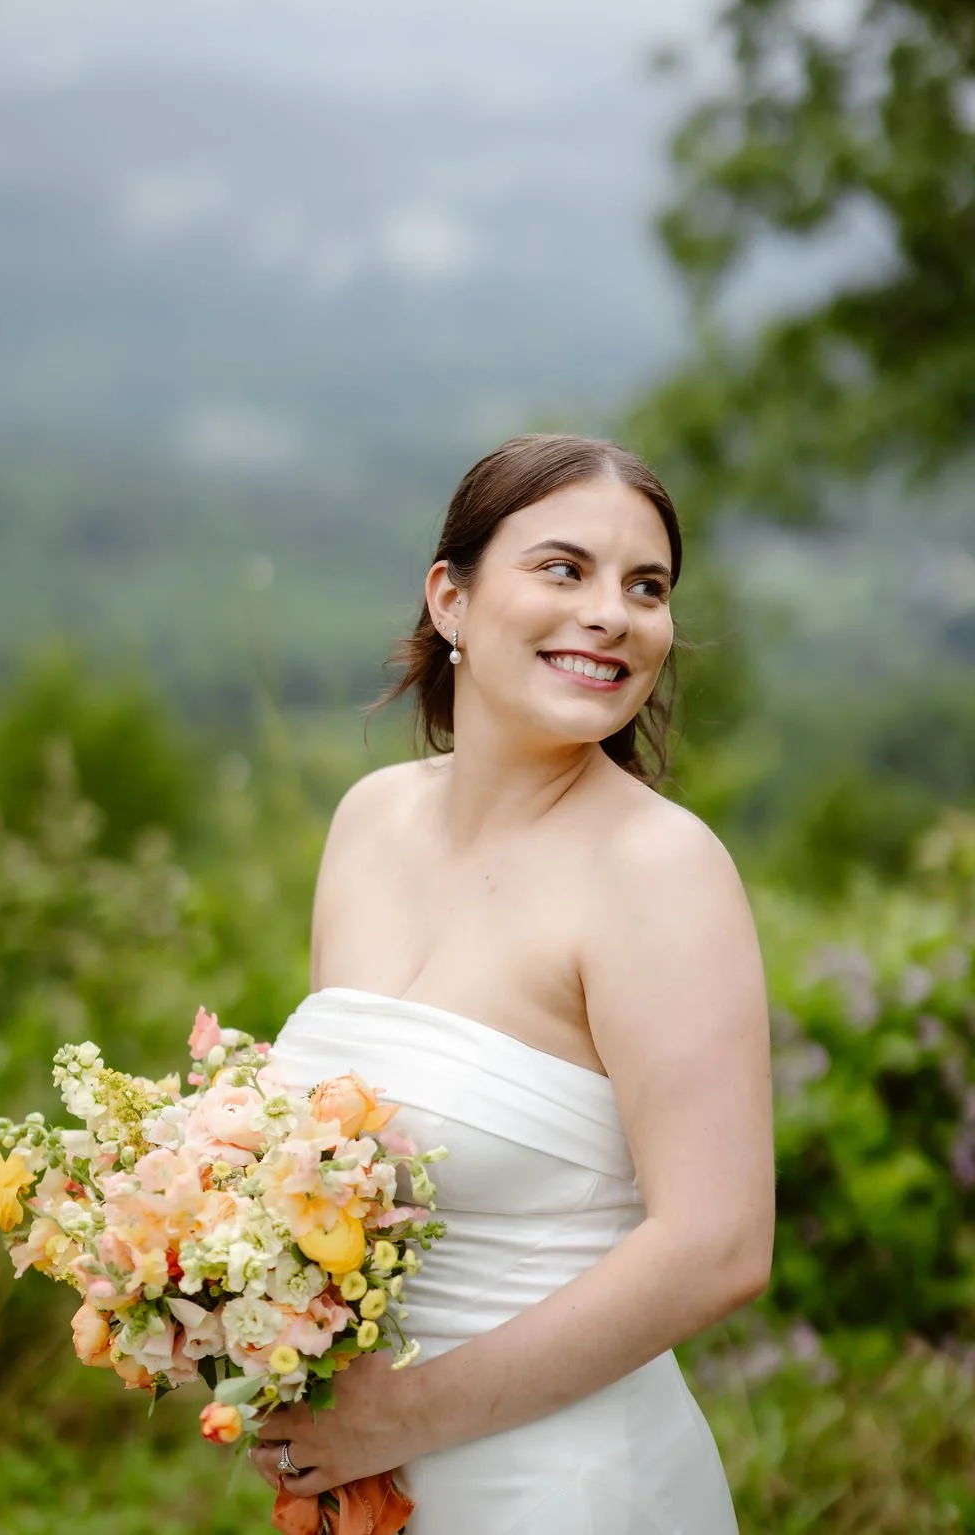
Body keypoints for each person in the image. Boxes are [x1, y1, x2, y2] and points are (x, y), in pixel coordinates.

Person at [251, 433, 774, 1532]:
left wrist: (393, 1419)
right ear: (450, 596)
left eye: (646, 586)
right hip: (370, 1484)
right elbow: (333, 1181)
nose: (611, 613)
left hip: (568, 1483)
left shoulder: (660, 870)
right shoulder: (369, 821)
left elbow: (716, 1245)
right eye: (562, 568)